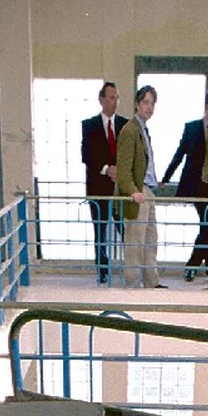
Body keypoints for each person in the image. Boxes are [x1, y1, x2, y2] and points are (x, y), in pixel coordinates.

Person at [162, 90, 208, 281]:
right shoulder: (192, 128)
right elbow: (179, 154)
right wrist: (165, 178)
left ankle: (194, 265)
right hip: (198, 187)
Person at [115, 85, 165, 289]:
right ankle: (133, 283)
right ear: (137, 104)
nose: (149, 107)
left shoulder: (143, 129)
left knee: (150, 238)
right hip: (138, 191)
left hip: (148, 189)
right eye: (145, 102)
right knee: (135, 240)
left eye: (152, 103)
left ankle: (151, 281)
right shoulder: (130, 130)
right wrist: (133, 191)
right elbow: (123, 169)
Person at [81, 82, 128, 283]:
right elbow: (86, 155)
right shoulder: (89, 125)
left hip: (119, 188)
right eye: (110, 97)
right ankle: (102, 268)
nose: (114, 102)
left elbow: (129, 153)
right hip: (98, 186)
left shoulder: (125, 124)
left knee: (124, 229)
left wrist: (120, 170)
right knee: (100, 229)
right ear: (101, 100)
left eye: (116, 97)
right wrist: (106, 169)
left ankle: (132, 267)